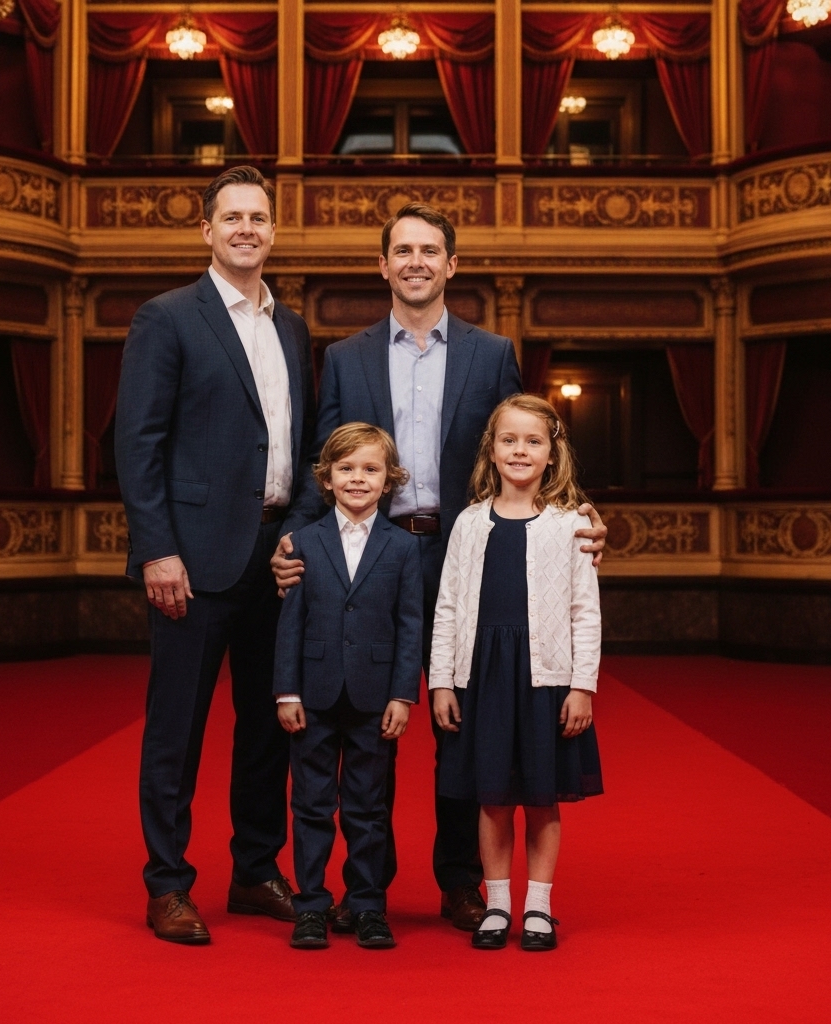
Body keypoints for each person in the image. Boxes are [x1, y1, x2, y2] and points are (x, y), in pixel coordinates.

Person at [274, 202, 608, 932]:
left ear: (452, 265)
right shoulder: (349, 356)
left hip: (468, 557)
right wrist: (297, 536)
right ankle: (370, 890)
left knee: (466, 718)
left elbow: (525, 443)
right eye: (403, 250)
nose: (417, 261)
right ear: (383, 264)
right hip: (373, 554)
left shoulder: (492, 354)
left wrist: (581, 514)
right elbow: (321, 462)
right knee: (369, 713)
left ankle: (462, 880)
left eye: (431, 250)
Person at [115, 165, 315, 944]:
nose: (245, 229)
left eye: (258, 218)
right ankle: (168, 883)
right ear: (206, 230)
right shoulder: (166, 318)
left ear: (273, 230)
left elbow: (295, 448)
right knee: (177, 728)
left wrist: (298, 527)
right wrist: (157, 550)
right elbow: (137, 444)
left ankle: (256, 870)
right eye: (230, 217)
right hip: (192, 562)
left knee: (269, 726)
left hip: (276, 560)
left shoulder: (291, 326)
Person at [429, 394, 603, 952]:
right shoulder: (469, 522)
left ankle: (539, 907)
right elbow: (449, 605)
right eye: (509, 439)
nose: (520, 450)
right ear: (492, 448)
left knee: (542, 795)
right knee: (492, 796)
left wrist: (582, 685)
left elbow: (584, 609)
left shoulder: (570, 524)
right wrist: (440, 680)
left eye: (533, 441)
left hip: (546, 676)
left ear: (552, 453)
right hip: (482, 676)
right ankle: (498, 904)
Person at [274, 424, 423, 950]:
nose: (357, 478)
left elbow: (411, 626)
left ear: (389, 481)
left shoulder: (403, 549)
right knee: (312, 805)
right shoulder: (302, 542)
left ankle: (367, 905)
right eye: (346, 469)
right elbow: (290, 623)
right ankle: (310, 905)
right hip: (311, 696)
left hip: (374, 697)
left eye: (370, 469)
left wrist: (404, 695)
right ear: (327, 478)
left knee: (367, 807)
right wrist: (286, 692)